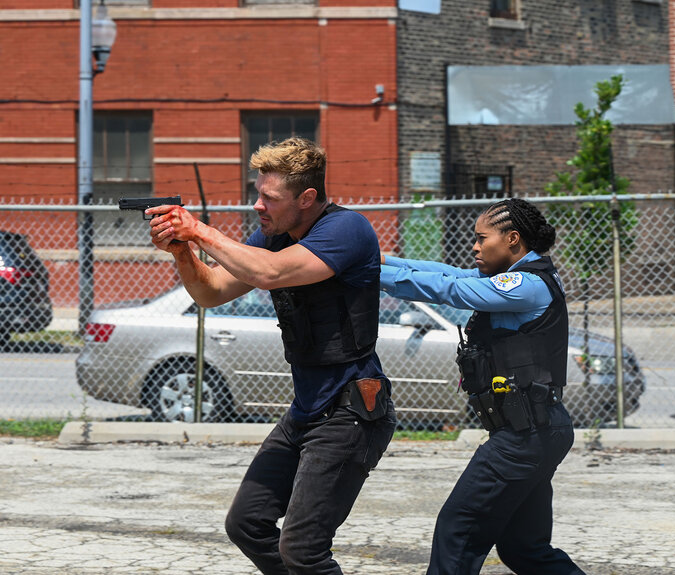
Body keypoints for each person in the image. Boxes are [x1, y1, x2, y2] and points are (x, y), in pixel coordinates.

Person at [147, 136, 397, 575]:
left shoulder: (347, 230)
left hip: (350, 412)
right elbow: (211, 291)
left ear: (307, 198)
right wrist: (182, 251)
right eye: (256, 193)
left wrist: (198, 229)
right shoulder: (273, 234)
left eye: (268, 197)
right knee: (248, 523)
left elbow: (269, 273)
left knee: (303, 550)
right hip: (306, 410)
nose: (258, 206)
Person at [380, 198, 585, 575]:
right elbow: (448, 273)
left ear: (512, 239)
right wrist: (381, 261)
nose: (474, 247)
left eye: (481, 238)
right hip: (537, 430)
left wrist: (361, 271)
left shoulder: (526, 285)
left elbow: (451, 291)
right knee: (524, 548)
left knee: (457, 533)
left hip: (525, 437)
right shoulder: (523, 277)